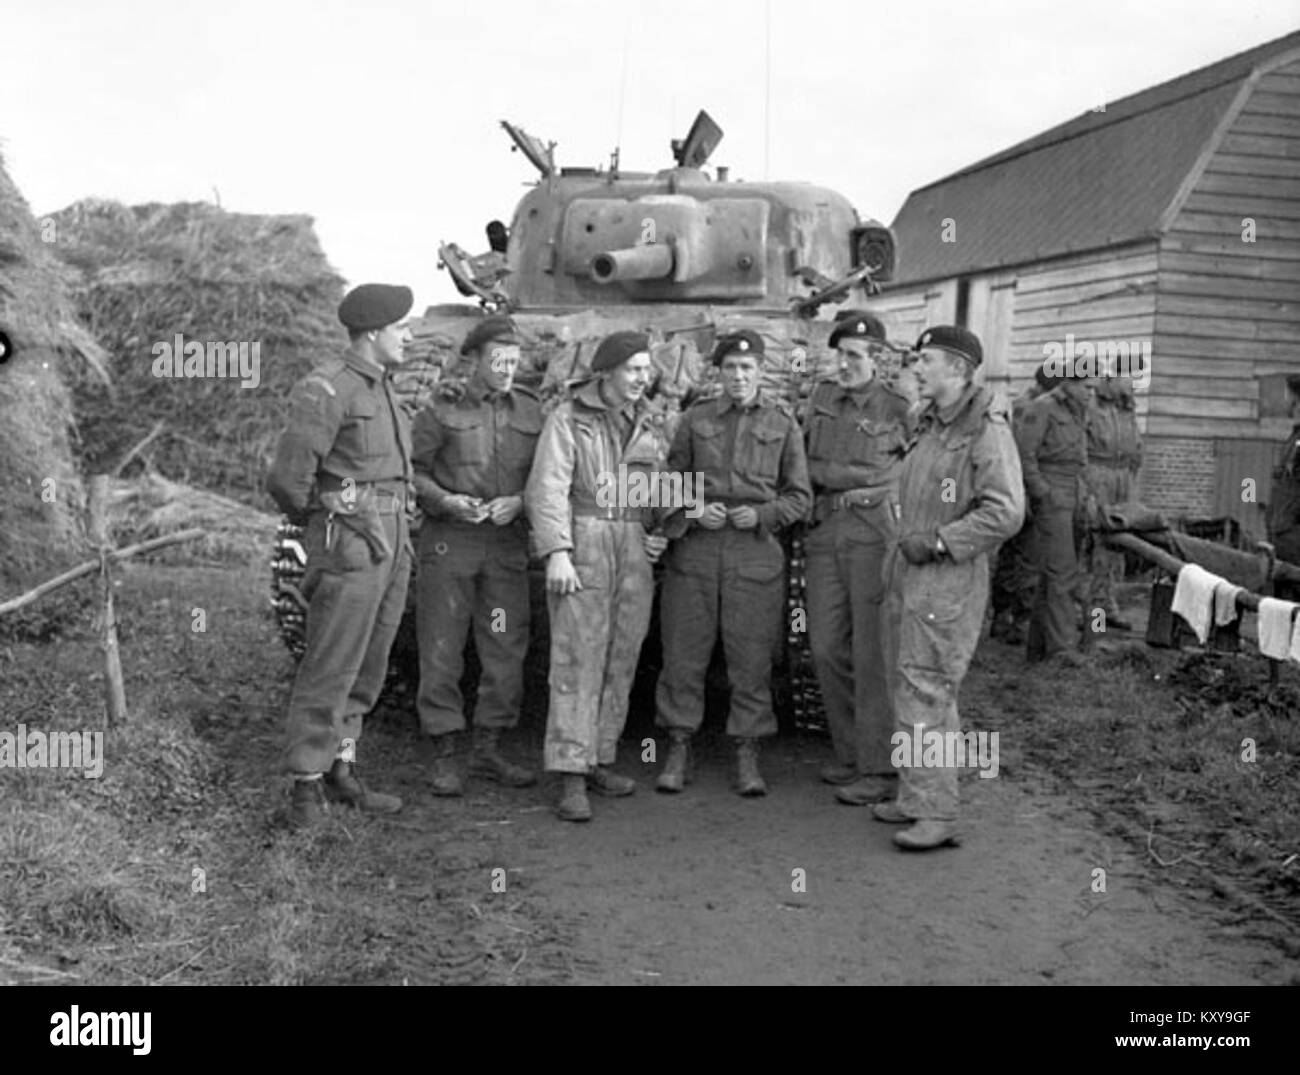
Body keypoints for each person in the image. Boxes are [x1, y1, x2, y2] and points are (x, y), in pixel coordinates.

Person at [267, 283, 415, 827]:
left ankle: (341, 770)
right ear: (373, 333)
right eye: (402, 327)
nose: (410, 335)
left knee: (368, 665)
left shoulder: (383, 389)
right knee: (331, 664)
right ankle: (305, 790)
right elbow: (288, 480)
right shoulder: (328, 389)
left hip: (393, 539)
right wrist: (331, 508)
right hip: (351, 541)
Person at [875, 326, 1024, 850]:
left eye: (927, 359)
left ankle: (938, 813)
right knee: (907, 684)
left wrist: (940, 542)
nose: (917, 367)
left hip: (945, 577)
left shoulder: (986, 429)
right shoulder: (927, 421)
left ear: (959, 370)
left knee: (929, 688)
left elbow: (1006, 512)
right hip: (908, 571)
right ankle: (915, 795)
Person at [654, 330, 812, 797]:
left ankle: (747, 749)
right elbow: (668, 482)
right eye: (730, 368)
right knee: (684, 652)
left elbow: (800, 496)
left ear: (760, 372)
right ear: (718, 373)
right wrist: (692, 510)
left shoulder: (784, 425)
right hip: (698, 548)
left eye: (747, 368)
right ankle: (679, 745)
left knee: (751, 657)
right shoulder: (694, 419)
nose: (739, 376)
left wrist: (763, 514)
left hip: (755, 551)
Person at [525, 331, 671, 821]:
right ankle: (569, 771)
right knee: (577, 657)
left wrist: (660, 531)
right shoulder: (568, 419)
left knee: (620, 655)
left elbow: (661, 488)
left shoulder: (648, 421)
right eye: (632, 370)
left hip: (631, 543)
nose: (641, 378)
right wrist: (557, 552)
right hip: (585, 540)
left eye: (645, 370)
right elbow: (547, 488)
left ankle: (599, 757)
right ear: (605, 372)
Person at [410, 316, 541, 796]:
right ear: (475, 360)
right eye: (498, 360)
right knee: (443, 645)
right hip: (451, 545)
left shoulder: (531, 410)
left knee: (504, 645)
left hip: (504, 548)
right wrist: (445, 500)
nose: (507, 368)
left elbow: (549, 476)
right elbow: (414, 472)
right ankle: (445, 750)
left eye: (513, 360)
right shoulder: (441, 409)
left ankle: (489, 747)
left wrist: (521, 502)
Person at [801, 312, 913, 805]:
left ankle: (880, 766)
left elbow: (915, 473)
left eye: (854, 356)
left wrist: (880, 498)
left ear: (878, 360)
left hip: (872, 534)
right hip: (825, 529)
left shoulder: (899, 407)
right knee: (825, 645)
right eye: (839, 354)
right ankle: (850, 752)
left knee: (873, 652)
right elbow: (802, 458)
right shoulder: (821, 398)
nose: (844, 364)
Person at [1015, 363, 1093, 662]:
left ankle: (1040, 648)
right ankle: (1063, 649)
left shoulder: (1077, 410)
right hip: (1052, 492)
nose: (1091, 394)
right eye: (1087, 387)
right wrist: (1041, 493)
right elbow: (1025, 454)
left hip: (1072, 490)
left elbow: (1080, 457)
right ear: (1069, 384)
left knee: (1055, 575)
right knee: (1062, 573)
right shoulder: (1042, 408)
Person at [989, 361, 1051, 644]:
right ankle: (1015, 619)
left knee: (1015, 556)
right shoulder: (1030, 408)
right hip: (1022, 491)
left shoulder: (1026, 405)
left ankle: (1006, 617)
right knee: (1024, 557)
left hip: (1019, 489)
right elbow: (1022, 455)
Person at [1080, 375, 1142, 633]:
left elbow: (1136, 448)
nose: (1128, 387)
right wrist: (1087, 490)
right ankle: (1089, 614)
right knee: (1095, 544)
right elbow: (1080, 449)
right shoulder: (1092, 408)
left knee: (1117, 545)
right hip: (1098, 476)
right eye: (1123, 381)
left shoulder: (1128, 413)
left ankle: (1107, 607)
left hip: (1122, 479)